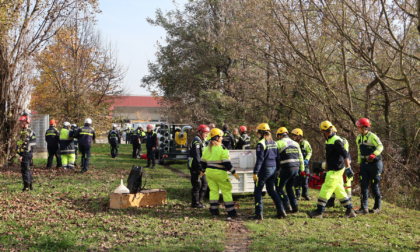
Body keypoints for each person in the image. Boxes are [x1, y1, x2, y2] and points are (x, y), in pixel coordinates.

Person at [306, 121, 356, 218]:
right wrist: (325, 171)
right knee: (340, 191)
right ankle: (350, 211)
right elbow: (328, 158)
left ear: (323, 132)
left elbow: (345, 154)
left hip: (336, 170)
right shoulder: (328, 141)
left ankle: (319, 212)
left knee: (325, 189)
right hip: (332, 170)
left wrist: (348, 168)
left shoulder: (336, 140)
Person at [201, 128, 240, 219]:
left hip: (209, 173)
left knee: (213, 191)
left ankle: (214, 211)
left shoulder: (206, 149)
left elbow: (203, 162)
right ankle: (231, 212)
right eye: (221, 137)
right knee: (226, 191)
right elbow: (226, 163)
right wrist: (233, 172)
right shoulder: (222, 149)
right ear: (217, 138)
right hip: (220, 173)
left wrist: (202, 171)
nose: (222, 138)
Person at [249, 123, 284, 220]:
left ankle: (258, 214)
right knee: (272, 191)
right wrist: (277, 169)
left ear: (260, 133)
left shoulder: (261, 143)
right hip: (273, 169)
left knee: (258, 191)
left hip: (264, 170)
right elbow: (278, 158)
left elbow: (260, 159)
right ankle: (281, 211)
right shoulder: (274, 143)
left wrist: (255, 172)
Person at [355, 118, 384, 214]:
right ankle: (364, 208)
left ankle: (377, 207)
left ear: (364, 127)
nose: (357, 128)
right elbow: (359, 152)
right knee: (363, 186)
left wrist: (374, 154)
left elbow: (380, 146)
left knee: (374, 185)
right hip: (364, 165)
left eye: (358, 127)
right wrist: (360, 164)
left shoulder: (372, 136)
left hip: (375, 164)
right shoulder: (358, 138)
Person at [275, 127, 304, 214]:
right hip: (296, 169)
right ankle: (295, 207)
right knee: (289, 187)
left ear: (280, 135)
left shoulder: (278, 143)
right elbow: (301, 157)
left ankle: (286, 205)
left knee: (278, 187)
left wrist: (276, 170)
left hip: (286, 168)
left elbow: (275, 158)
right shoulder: (296, 143)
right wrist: (302, 170)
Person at [326, 126, 352, 207]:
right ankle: (340, 201)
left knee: (346, 183)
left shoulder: (338, 140)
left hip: (341, 163)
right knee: (339, 183)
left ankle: (347, 201)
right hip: (343, 163)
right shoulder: (340, 140)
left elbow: (344, 153)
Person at [188, 124, 210, 208]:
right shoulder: (196, 141)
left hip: (201, 167)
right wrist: (200, 168)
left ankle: (200, 201)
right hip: (195, 167)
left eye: (207, 133)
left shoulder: (202, 141)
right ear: (200, 132)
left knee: (204, 184)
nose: (207, 135)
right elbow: (197, 156)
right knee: (197, 184)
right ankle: (195, 203)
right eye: (205, 133)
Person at [291, 128, 312, 201]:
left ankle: (305, 194)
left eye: (295, 135)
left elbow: (309, 152)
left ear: (299, 136)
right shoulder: (293, 143)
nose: (293, 136)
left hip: (305, 165)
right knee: (296, 180)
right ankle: (298, 195)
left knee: (305, 179)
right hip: (296, 164)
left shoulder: (305, 143)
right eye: (293, 135)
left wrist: (306, 159)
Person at [16, 114, 36, 192]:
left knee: (25, 170)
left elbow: (25, 145)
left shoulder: (25, 133)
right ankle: (30, 186)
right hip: (29, 154)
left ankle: (26, 188)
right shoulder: (29, 131)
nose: (19, 124)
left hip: (26, 154)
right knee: (27, 170)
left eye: (21, 122)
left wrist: (21, 155)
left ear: (25, 123)